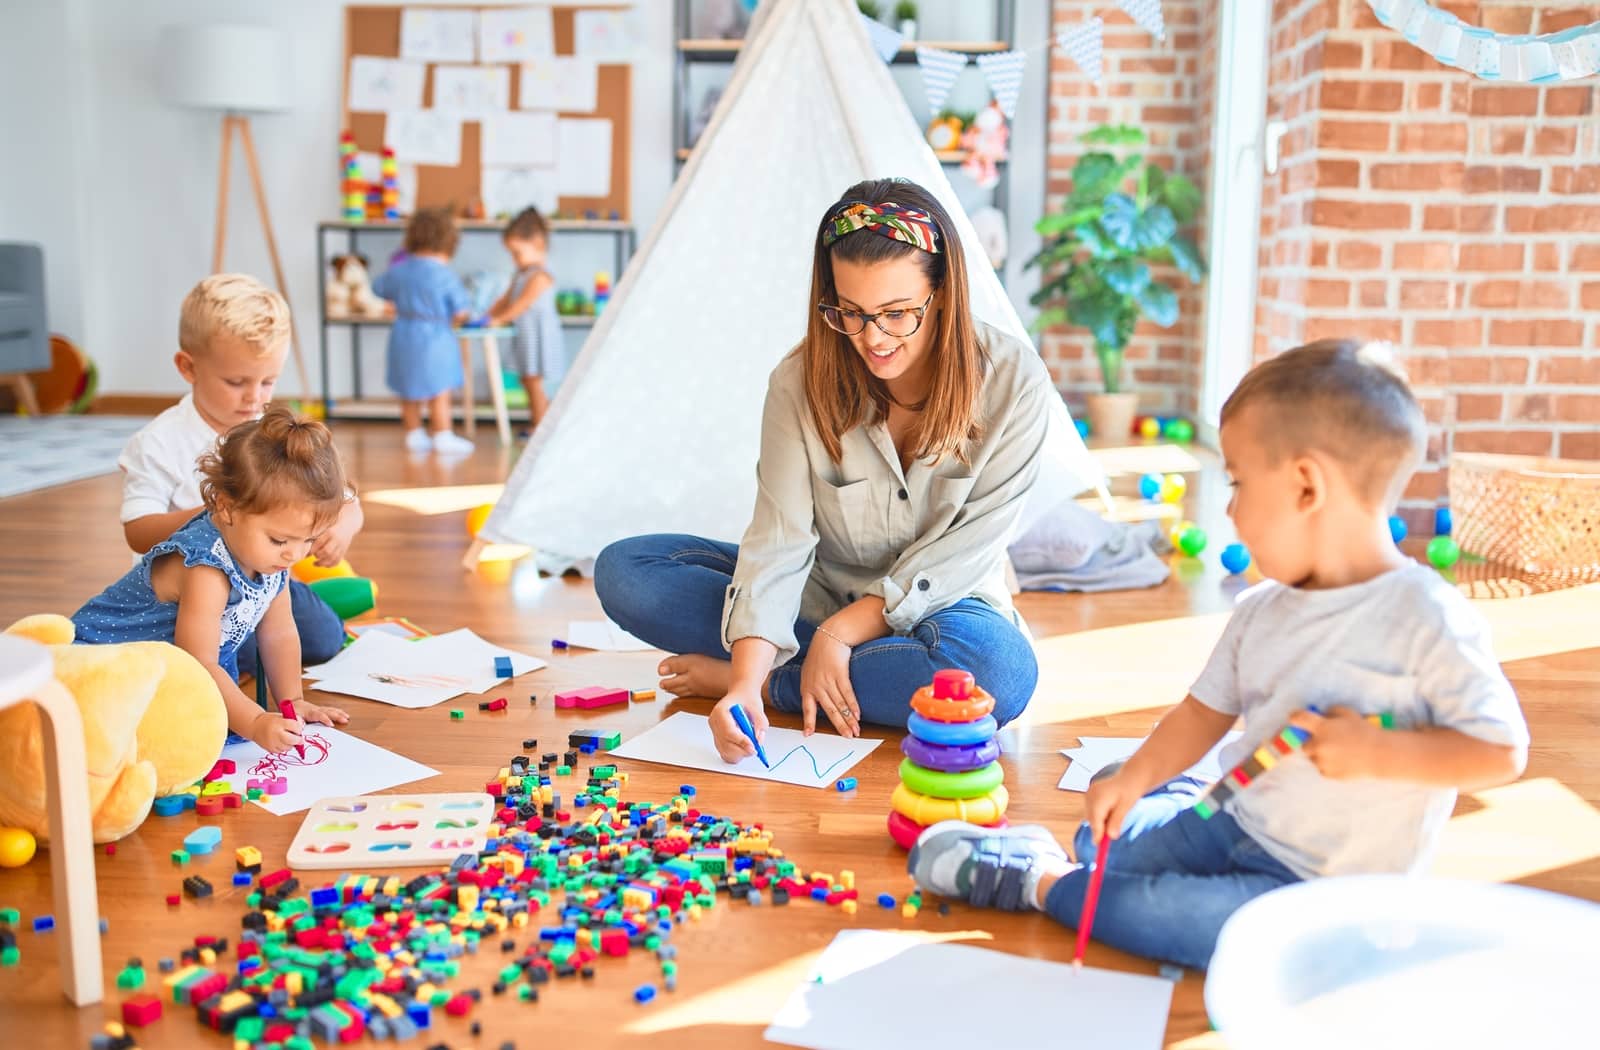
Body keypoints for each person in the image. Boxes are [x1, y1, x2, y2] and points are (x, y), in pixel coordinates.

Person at [906, 339, 1530, 970]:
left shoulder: (1429, 618)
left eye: (1236, 481)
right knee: (1101, 841)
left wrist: (1380, 753)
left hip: (1324, 896)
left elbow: (1501, 750)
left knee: (1174, 922)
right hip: (1234, 819)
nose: (1228, 508)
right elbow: (1202, 714)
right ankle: (1164, 805)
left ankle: (1036, 881)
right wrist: (1136, 776)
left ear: (1306, 487)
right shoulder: (1262, 610)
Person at [595, 177, 1049, 763]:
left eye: (897, 313)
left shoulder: (1015, 383)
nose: (872, 338)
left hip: (943, 610)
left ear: (944, 295)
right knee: (626, 572)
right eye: (850, 312)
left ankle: (786, 681)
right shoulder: (798, 381)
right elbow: (780, 539)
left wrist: (830, 641)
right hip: (817, 592)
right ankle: (790, 669)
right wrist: (742, 687)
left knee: (999, 675)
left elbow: (964, 554)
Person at [73, 407, 351, 753]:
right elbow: (199, 661)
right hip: (104, 665)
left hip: (171, 674)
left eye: (307, 540)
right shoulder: (206, 568)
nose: (294, 555)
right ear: (226, 507)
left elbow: (279, 632)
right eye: (280, 540)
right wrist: (253, 721)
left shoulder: (273, 558)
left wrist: (292, 702)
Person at [116, 273, 354, 669]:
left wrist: (342, 526)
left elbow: (344, 499)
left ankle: (228, 652)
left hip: (262, 584)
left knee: (326, 637)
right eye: (236, 382)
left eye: (268, 381)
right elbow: (138, 531)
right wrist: (218, 516)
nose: (255, 397)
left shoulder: (273, 430)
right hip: (183, 593)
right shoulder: (158, 441)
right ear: (188, 367)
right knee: (179, 646)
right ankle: (215, 656)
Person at [372, 207, 474, 455]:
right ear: (449, 242)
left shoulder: (399, 270)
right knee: (439, 390)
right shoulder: (446, 276)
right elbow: (461, 310)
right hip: (436, 337)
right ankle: (442, 434)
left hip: (403, 334)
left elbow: (378, 288)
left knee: (409, 388)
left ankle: (414, 433)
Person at [482, 206, 565, 434]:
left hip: (539, 337)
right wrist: (487, 316)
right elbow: (505, 299)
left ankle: (540, 427)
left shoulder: (539, 276)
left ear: (538, 244)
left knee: (534, 381)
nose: (514, 259)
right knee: (527, 381)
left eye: (517, 253)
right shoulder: (520, 274)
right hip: (526, 336)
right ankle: (539, 423)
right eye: (511, 254)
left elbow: (521, 305)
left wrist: (499, 320)